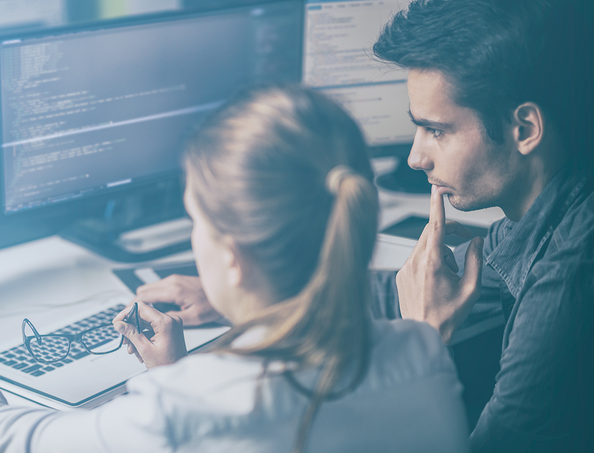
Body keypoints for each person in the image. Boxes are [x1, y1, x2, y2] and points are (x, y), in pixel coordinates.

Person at [0, 85, 469, 452]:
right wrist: (170, 374)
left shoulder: (189, 408)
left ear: (233, 258)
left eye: (196, 219)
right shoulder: (423, 352)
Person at [136, 1, 594, 452]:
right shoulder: (547, 213)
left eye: (437, 130)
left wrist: (425, 342)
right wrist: (252, 290)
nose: (416, 157)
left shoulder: (568, 280)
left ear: (525, 128)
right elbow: (417, 287)